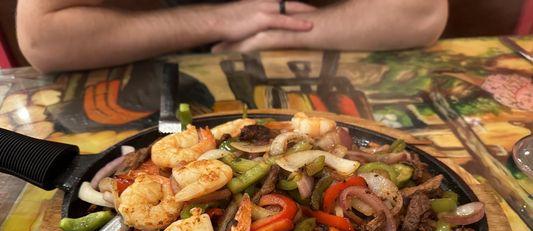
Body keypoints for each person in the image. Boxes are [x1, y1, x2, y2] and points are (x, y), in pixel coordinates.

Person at [16, 0, 448, 73]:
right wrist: (219, 19)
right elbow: (43, 39)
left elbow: (423, 13)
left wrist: (278, 32)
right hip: (164, 76)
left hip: (300, 50)